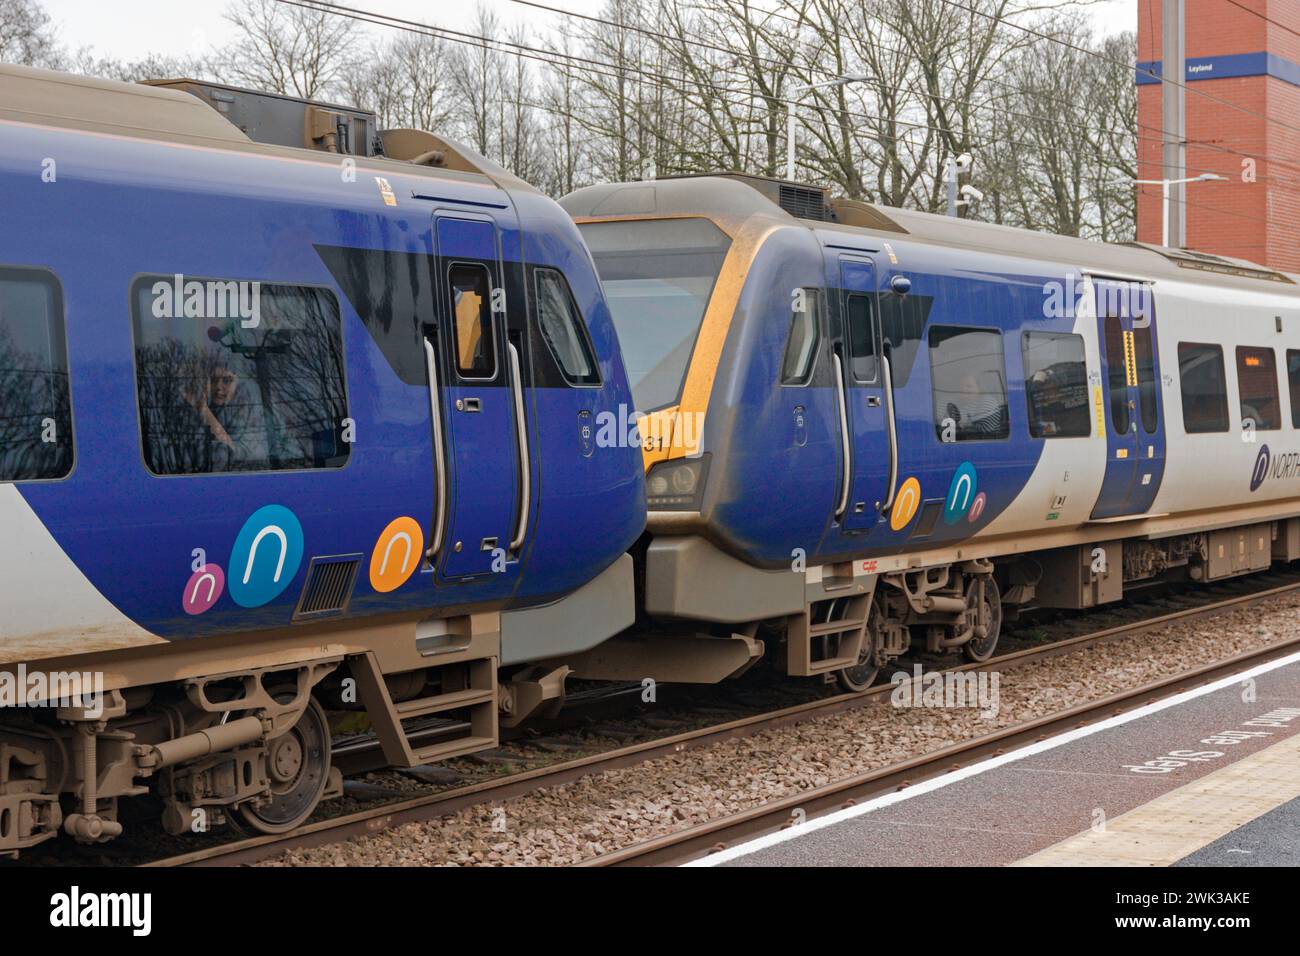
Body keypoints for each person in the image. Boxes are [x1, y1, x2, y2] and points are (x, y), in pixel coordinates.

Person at [183, 359, 269, 471]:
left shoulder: (252, 412)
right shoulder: (189, 415)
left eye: (226, 380)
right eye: (213, 380)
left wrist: (204, 412)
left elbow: (241, 455)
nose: (218, 386)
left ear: (237, 383)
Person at [947, 371, 1006, 437]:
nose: (963, 389)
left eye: (969, 386)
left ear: (979, 388)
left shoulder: (987, 402)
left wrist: (961, 426)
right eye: (961, 386)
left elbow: (983, 431)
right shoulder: (956, 403)